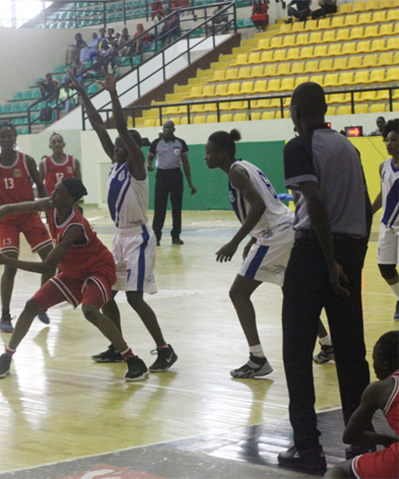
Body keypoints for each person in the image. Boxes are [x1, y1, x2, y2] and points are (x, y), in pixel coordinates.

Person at [278, 82, 373, 470]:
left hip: (317, 251)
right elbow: (366, 208)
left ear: (298, 110)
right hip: (351, 250)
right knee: (352, 353)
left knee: (296, 351)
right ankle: (360, 443)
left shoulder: (298, 146)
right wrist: (352, 261)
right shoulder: (348, 147)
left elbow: (314, 201)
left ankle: (308, 448)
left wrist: (330, 260)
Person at [0, 179, 150, 382]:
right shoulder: (50, 205)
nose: (52, 194)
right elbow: (9, 208)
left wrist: (4, 260)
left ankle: (132, 359)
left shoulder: (74, 226)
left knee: (90, 310)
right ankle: (6, 356)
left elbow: (47, 267)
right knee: (32, 305)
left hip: (98, 270)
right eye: (54, 189)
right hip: (73, 272)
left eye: (58, 192)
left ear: (69, 200)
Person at [70, 69, 177, 373]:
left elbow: (119, 125)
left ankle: (164, 349)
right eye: (116, 145)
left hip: (138, 239)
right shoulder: (117, 163)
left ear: (134, 149)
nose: (116, 147)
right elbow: (97, 125)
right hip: (119, 238)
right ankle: (119, 347)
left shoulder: (137, 168)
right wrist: (83, 93)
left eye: (123, 144)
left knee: (134, 298)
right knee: (106, 296)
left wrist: (114, 93)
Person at [205, 129, 333, 378]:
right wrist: (253, 238)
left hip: (276, 234)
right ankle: (328, 345)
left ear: (221, 153)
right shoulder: (243, 166)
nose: (205, 157)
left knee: (238, 293)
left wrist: (235, 242)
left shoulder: (235, 172)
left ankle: (257, 359)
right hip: (285, 227)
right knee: (292, 290)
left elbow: (260, 205)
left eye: (208, 152)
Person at [0, 121, 54, 332]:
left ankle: (41, 302)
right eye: (2, 137)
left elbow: (41, 187)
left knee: (50, 261)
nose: (6, 140)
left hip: (30, 216)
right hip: (6, 221)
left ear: (15, 138)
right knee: (10, 266)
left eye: (9, 136)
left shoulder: (27, 161)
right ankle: (5, 316)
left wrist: (49, 209)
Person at [323, 330, 399, 479]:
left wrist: (385, 439)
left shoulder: (381, 389)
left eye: (374, 360)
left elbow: (351, 435)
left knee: (339, 471)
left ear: (385, 364)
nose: (374, 367)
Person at [148, 122, 196, 245]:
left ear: (174, 129)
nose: (167, 130)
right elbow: (149, 159)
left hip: (176, 176)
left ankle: (176, 236)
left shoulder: (180, 143)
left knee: (177, 207)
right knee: (159, 208)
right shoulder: (156, 143)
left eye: (169, 128)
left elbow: (185, 163)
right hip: (162, 176)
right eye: (165, 128)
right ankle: (156, 236)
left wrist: (190, 182)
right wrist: (148, 165)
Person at [371, 119, 399, 320]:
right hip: (387, 225)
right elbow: (383, 194)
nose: (389, 144)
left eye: (394, 140)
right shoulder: (384, 166)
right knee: (385, 268)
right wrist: (368, 213)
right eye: (387, 140)